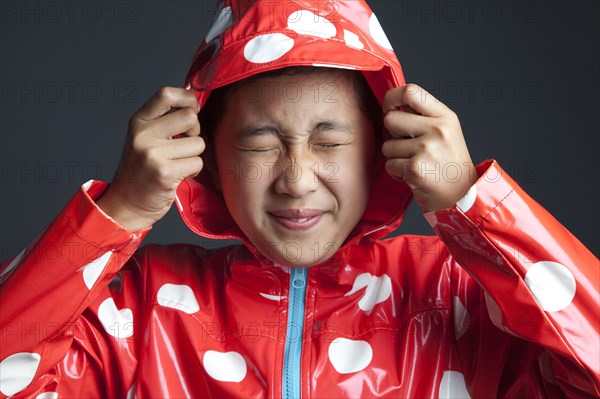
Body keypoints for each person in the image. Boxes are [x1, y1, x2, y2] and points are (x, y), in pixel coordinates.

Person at [1, 0, 598, 397]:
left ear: (381, 150)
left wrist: (475, 203)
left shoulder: (460, 292)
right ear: (205, 159)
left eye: (330, 140)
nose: (296, 178)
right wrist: (121, 211)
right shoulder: (136, 308)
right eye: (260, 143)